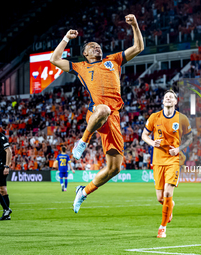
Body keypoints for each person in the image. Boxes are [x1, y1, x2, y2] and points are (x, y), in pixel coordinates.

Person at [50, 14, 144, 213]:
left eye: (98, 45)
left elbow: (138, 48)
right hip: (97, 113)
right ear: (85, 53)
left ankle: (83, 192)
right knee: (102, 108)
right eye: (91, 46)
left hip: (114, 118)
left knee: (114, 168)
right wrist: (66, 38)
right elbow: (54, 59)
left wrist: (135, 25)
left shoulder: (114, 60)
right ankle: (82, 142)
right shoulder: (80, 67)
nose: (97, 47)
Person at [142, 90, 193, 238]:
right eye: (166, 97)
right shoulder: (154, 117)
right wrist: (152, 143)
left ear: (176, 101)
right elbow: (144, 135)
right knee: (160, 198)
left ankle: (162, 227)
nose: (168, 98)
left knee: (168, 193)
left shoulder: (182, 119)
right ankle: (169, 206)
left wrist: (179, 148)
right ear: (163, 101)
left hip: (173, 160)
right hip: (158, 160)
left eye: (171, 97)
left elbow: (190, 138)